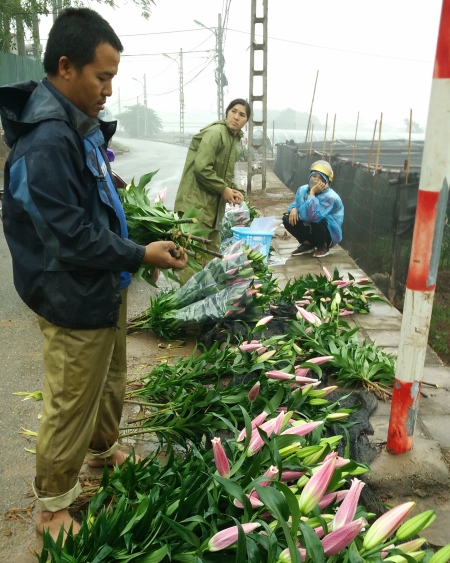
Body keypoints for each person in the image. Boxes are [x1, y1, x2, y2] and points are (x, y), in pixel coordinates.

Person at [0, 8, 187, 542]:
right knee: (71, 399)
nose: (108, 90)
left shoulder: (75, 128)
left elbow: (85, 190)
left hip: (102, 287)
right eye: (102, 77)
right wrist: (141, 254)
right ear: (65, 67)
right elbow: (69, 236)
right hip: (71, 293)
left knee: (109, 380)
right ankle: (53, 504)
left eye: (112, 79)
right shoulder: (45, 142)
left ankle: (104, 451)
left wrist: (112, 187)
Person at [174, 98, 250, 284]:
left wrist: (234, 190)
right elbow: (202, 168)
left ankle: (201, 301)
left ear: (246, 122)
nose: (236, 117)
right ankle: (187, 305)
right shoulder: (216, 133)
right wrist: (223, 189)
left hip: (212, 208)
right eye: (233, 111)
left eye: (242, 115)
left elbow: (224, 174)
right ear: (226, 113)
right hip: (196, 206)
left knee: (210, 256)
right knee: (192, 259)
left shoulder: (233, 140)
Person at [282, 160, 344, 258]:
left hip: (327, 232)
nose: (316, 180)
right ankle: (308, 244)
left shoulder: (330, 197)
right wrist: (293, 208)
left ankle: (323, 246)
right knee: (287, 218)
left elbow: (312, 216)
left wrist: (312, 194)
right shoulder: (303, 189)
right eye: (314, 176)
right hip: (311, 225)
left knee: (317, 220)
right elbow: (299, 203)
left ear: (326, 182)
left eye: (320, 178)